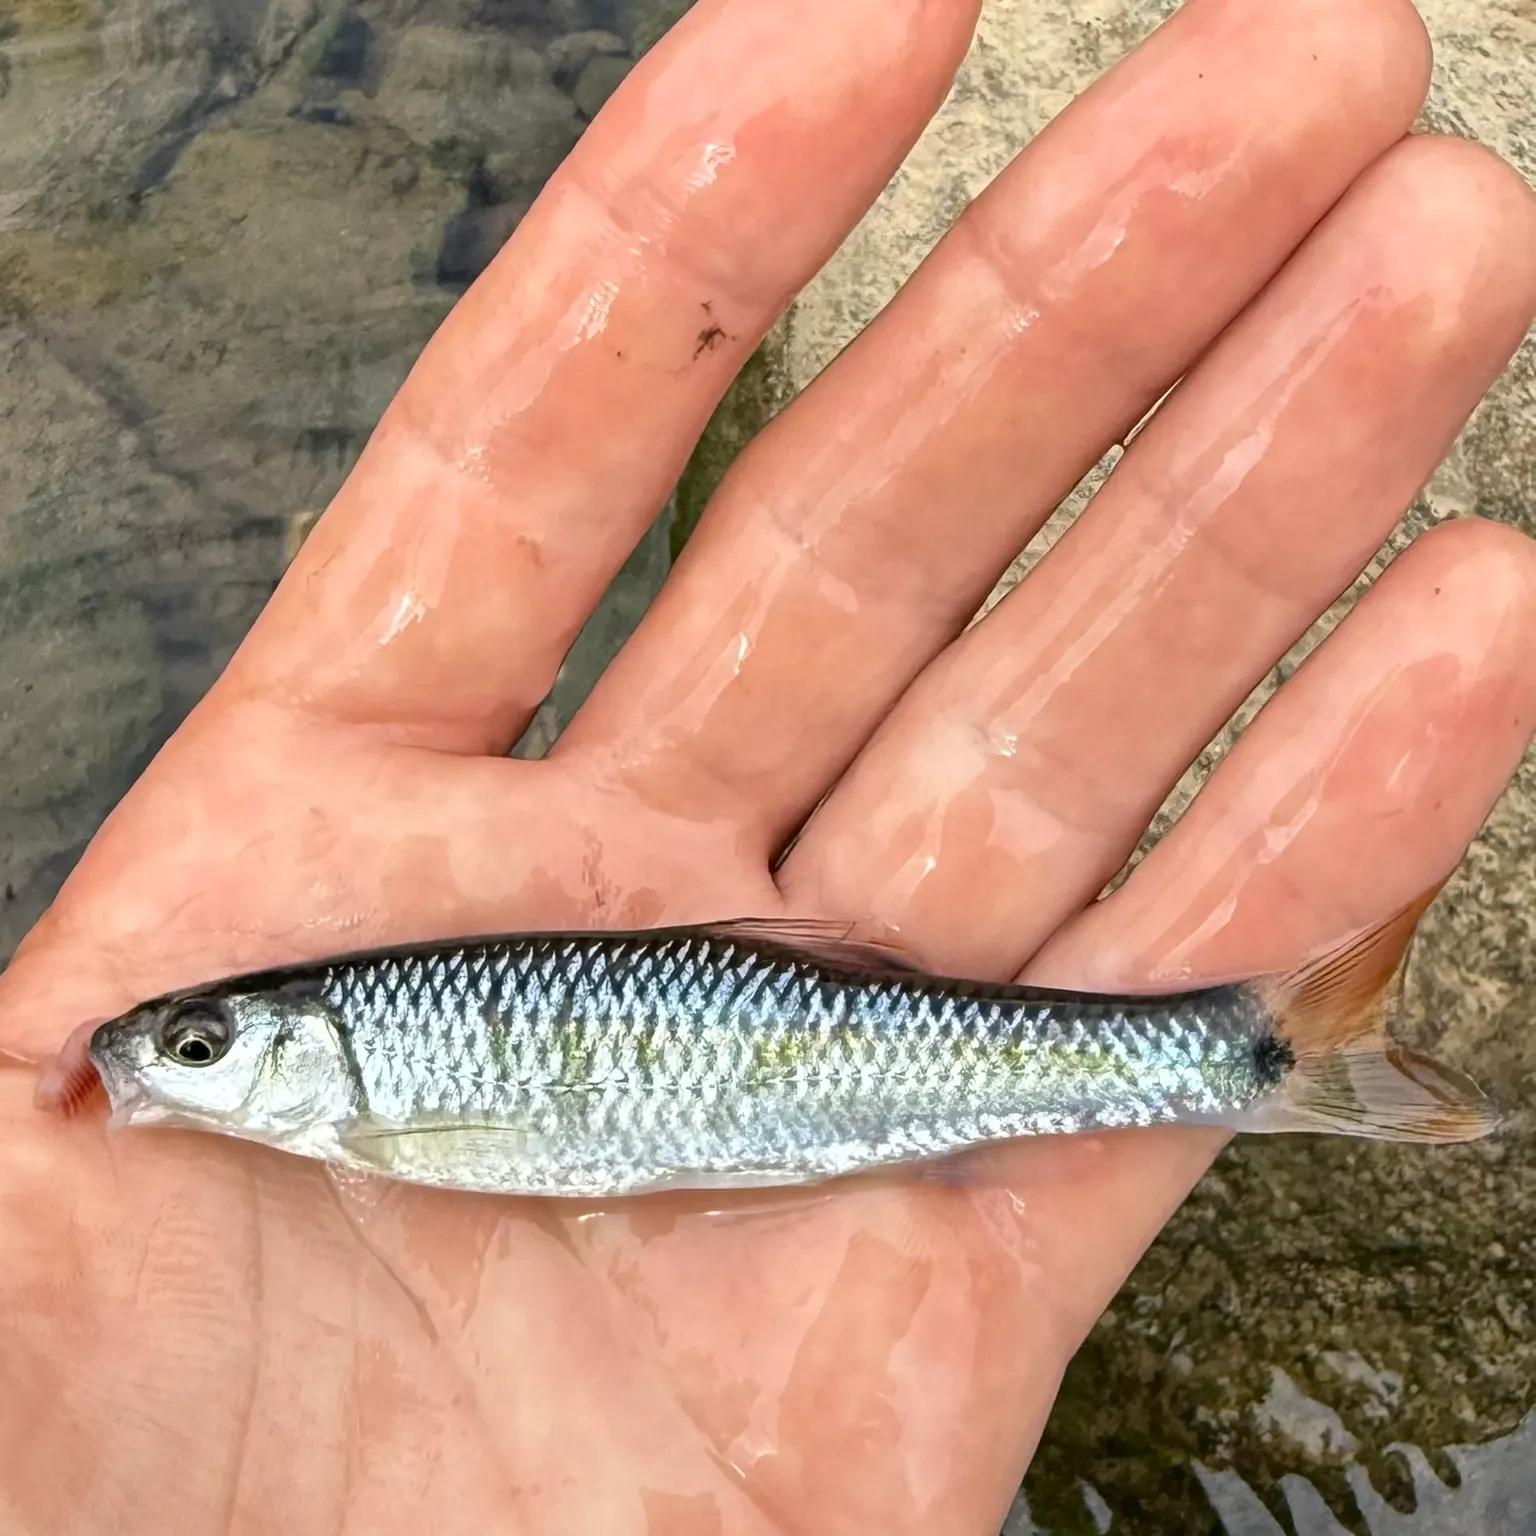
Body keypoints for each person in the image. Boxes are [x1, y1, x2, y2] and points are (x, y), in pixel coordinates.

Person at [2, 0, 1533, 1529]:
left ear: (299, 1050)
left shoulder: (375, 1111)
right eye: (193, 1050)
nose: (158, 1066)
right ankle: (1238, 1056)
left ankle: (1242, 1055)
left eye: (198, 1050)